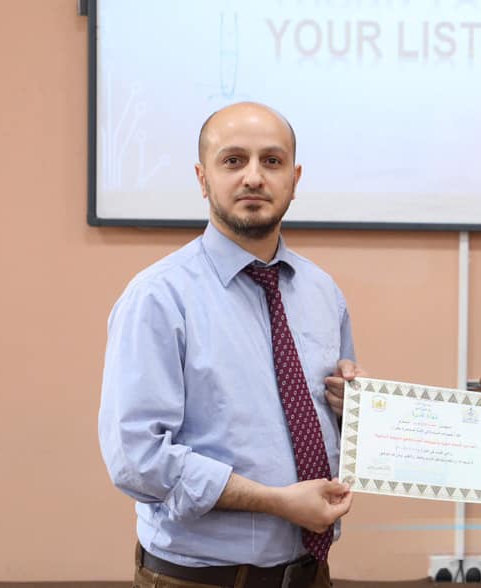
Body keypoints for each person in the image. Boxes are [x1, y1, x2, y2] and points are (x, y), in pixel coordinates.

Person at [99, 101, 363, 588]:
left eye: (272, 161)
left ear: (295, 180)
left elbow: (333, 437)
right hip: (198, 579)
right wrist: (275, 501)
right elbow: (138, 458)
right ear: (203, 179)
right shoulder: (158, 297)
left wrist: (356, 414)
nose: (254, 177)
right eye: (233, 160)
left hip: (311, 575)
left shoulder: (323, 293)